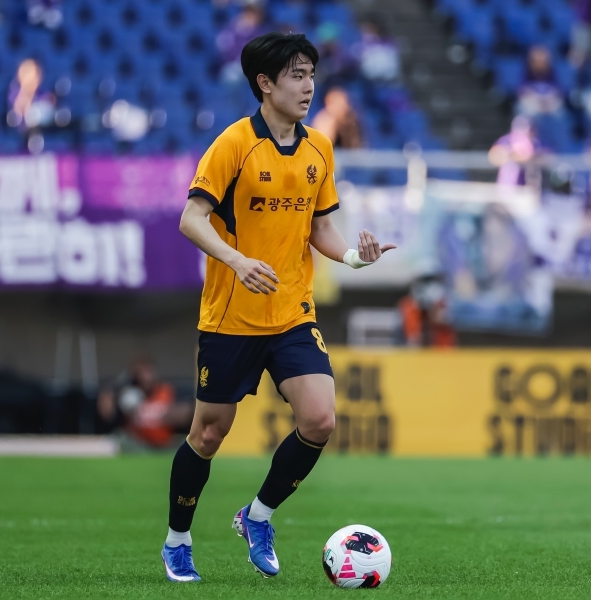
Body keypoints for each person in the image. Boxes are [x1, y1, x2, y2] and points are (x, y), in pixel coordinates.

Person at [162, 32, 395, 583]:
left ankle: (258, 516)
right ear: (265, 84)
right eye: (296, 75)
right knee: (208, 434)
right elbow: (192, 219)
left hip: (292, 313)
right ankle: (177, 541)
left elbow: (320, 228)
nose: (309, 86)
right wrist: (236, 260)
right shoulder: (234, 144)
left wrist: (354, 258)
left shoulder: (320, 148)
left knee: (320, 419)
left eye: (311, 74)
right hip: (231, 317)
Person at [97, 358, 190, 448]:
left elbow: (185, 414)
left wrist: (169, 414)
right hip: (138, 445)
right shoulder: (129, 395)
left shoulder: (166, 391)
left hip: (164, 443)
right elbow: (107, 414)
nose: (145, 377)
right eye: (140, 373)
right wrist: (110, 392)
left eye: (148, 371)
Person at [516, 46, 564, 119]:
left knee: (560, 110)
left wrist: (547, 98)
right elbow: (521, 91)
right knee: (523, 108)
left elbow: (558, 91)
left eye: (542, 61)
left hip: (548, 103)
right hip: (532, 103)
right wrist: (536, 98)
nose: (540, 63)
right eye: (537, 61)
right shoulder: (526, 73)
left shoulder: (552, 73)